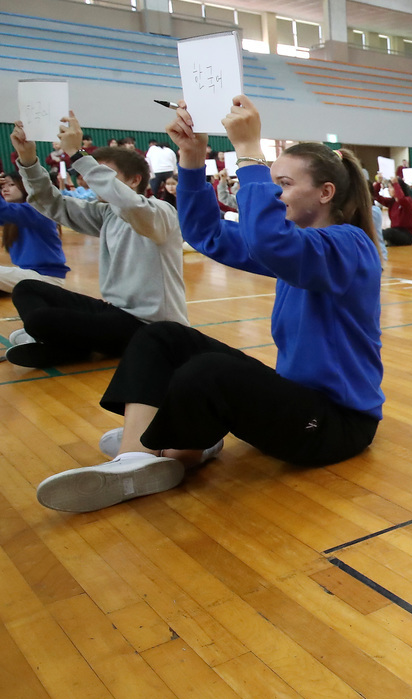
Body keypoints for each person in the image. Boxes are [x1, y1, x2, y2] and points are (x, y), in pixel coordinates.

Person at [34, 95, 383, 513]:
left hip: (337, 425)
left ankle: (182, 446)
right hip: (295, 397)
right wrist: (193, 160)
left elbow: (271, 241)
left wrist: (251, 153)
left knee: (209, 372)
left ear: (325, 193)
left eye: (284, 185)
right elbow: (206, 234)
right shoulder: (299, 245)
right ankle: (138, 457)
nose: (274, 193)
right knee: (162, 336)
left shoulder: (350, 245)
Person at [8, 114, 187, 369]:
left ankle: (67, 346)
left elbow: (130, 204)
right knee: (27, 288)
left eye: (103, 174)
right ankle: (72, 348)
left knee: (41, 320)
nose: (92, 180)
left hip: (151, 327)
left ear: (135, 180)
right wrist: (27, 159)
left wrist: (78, 154)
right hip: (115, 313)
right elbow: (52, 203)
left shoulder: (160, 212)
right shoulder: (106, 213)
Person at [0, 171, 69, 292]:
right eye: (3, 186)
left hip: (46, 277)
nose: (5, 189)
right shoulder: (14, 215)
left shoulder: (37, 210)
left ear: (25, 185)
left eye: (11, 185)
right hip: (28, 274)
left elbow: (4, 210)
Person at [376, 176, 412, 246]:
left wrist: (395, 183)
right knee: (378, 232)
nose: (388, 190)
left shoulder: (408, 200)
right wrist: (378, 183)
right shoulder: (392, 202)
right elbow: (376, 196)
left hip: (407, 234)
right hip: (395, 231)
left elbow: (401, 199)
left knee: (388, 232)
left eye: (391, 187)